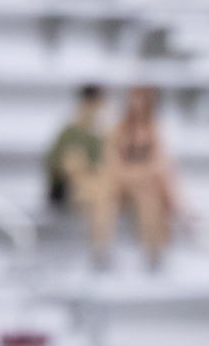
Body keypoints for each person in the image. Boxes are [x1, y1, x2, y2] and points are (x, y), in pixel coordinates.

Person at [90, 85, 183, 269]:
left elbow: (158, 162)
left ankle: (153, 252)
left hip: (142, 185)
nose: (137, 104)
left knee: (150, 200)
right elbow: (111, 161)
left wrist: (140, 175)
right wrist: (131, 175)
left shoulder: (154, 130)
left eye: (141, 99)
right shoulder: (118, 129)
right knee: (103, 199)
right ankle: (101, 250)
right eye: (134, 98)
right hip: (121, 184)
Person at [45, 85, 105, 211]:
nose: (91, 109)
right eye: (88, 104)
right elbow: (55, 164)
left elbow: (103, 166)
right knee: (73, 159)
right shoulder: (68, 133)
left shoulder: (102, 136)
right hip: (65, 186)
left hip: (91, 185)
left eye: (94, 105)